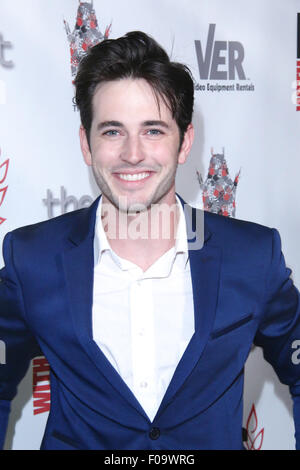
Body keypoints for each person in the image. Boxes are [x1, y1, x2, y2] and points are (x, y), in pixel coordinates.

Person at [0, 31, 300, 451]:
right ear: (86, 144)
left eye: (154, 131)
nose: (133, 154)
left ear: (185, 143)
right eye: (112, 132)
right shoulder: (32, 258)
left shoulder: (251, 257)